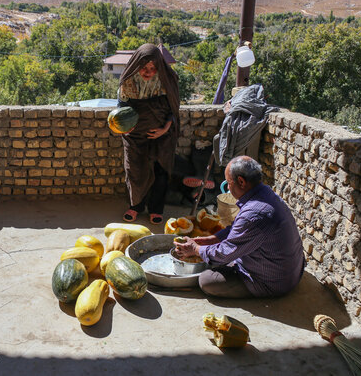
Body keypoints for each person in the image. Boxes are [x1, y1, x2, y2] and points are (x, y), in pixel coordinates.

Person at [174, 156, 305, 298]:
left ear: (241, 182)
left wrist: (195, 249)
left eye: (229, 183)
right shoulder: (264, 194)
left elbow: (224, 254)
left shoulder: (254, 214)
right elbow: (236, 228)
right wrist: (210, 240)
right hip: (291, 271)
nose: (228, 188)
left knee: (207, 280)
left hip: (273, 282)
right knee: (214, 254)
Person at [116, 43, 180, 225]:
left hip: (162, 136)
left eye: (153, 68)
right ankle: (136, 206)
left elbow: (173, 109)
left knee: (160, 171)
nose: (148, 72)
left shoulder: (167, 80)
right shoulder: (127, 81)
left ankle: (156, 208)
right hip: (135, 136)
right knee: (135, 170)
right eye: (144, 67)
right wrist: (123, 126)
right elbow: (122, 107)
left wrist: (165, 129)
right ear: (136, 65)